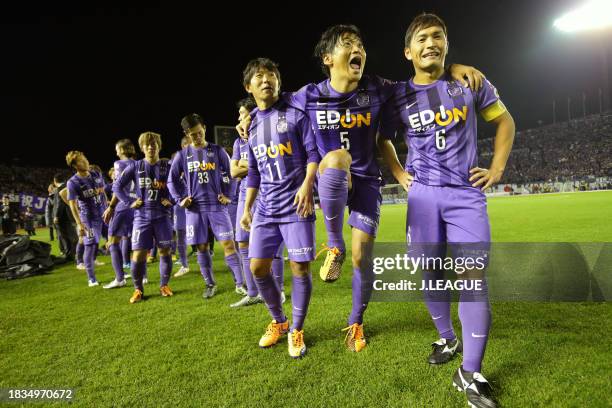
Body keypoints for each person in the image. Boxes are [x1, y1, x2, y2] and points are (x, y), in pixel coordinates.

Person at [239, 24, 484, 352]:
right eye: (348, 44)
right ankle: (334, 243)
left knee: (362, 259)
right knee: (339, 157)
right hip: (332, 176)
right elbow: (271, 102)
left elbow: (420, 81)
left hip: (367, 182)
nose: (358, 50)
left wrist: (453, 68)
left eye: (360, 44)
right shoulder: (308, 96)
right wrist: (250, 117)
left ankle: (356, 322)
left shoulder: (377, 88)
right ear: (328, 58)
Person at [379, 13, 515, 408]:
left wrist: (497, 169)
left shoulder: (468, 81)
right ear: (409, 51)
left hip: (465, 195)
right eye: (422, 38)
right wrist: (400, 173)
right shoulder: (397, 95)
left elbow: (505, 121)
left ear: (446, 44)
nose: (430, 43)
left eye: (437, 36)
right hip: (422, 196)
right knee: (431, 272)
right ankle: (447, 336)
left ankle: (470, 372)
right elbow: (382, 138)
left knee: (473, 276)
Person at [240, 58, 318, 358]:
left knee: (300, 267)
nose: (266, 80)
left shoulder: (296, 114)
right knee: (257, 267)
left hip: (296, 205)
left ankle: (296, 329)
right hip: (266, 208)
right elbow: (254, 172)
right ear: (249, 87)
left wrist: (308, 184)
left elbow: (313, 153)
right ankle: (279, 321)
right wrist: (247, 208)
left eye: (271, 74)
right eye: (259, 77)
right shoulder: (252, 126)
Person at [168, 114, 243, 299]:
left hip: (217, 207)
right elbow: (171, 181)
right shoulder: (182, 155)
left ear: (204, 128)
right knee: (201, 248)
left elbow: (232, 173)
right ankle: (210, 284)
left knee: (229, 245)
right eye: (193, 134)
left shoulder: (217, 151)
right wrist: (180, 199)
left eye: (199, 132)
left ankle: (240, 283)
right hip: (194, 210)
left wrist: (229, 196)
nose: (197, 137)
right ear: (187, 134)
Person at [114, 132, 175, 304]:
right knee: (139, 254)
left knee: (165, 251)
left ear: (159, 145)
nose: (151, 146)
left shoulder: (167, 165)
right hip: (142, 217)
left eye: (154, 143)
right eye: (147, 144)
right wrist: (129, 202)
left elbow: (181, 184)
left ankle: (164, 285)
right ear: (142, 148)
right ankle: (138, 289)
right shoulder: (136, 166)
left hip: (163, 216)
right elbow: (117, 186)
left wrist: (171, 200)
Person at [65, 151, 108, 286]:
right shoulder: (73, 182)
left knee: (115, 240)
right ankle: (91, 279)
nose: (85, 162)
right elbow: (72, 204)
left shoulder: (96, 174)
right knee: (89, 246)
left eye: (85, 158)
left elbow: (103, 193)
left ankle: (121, 272)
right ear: (74, 165)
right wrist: (79, 223)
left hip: (104, 214)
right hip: (89, 220)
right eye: (80, 161)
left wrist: (108, 209)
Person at [102, 139, 138, 289]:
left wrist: (111, 206)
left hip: (123, 206)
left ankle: (119, 278)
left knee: (112, 242)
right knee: (136, 243)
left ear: (122, 150)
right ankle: (142, 277)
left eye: (117, 149)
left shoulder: (118, 164)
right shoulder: (138, 163)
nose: (116, 151)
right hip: (137, 206)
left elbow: (118, 187)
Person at [172, 135, 193, 278]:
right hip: (180, 205)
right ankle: (184, 265)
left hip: (198, 203)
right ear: (184, 146)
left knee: (203, 236)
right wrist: (174, 199)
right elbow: (169, 182)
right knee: (180, 234)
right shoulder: (177, 162)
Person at [53, 173, 78, 260]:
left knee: (66, 236)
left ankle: (70, 254)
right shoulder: (68, 186)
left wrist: (56, 216)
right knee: (71, 235)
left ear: (55, 181)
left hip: (64, 217)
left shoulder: (59, 189)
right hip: (70, 215)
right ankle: (73, 253)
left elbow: (60, 204)